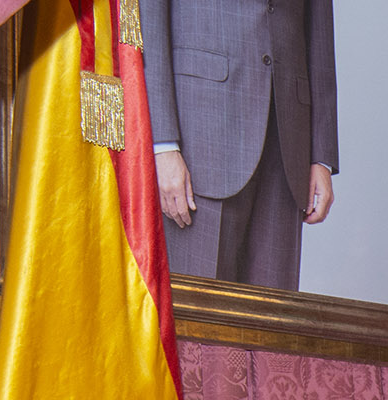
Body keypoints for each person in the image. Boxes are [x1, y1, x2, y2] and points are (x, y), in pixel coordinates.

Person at [141, 0, 339, 291]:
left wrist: (321, 156)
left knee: (272, 322)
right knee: (199, 321)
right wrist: (162, 144)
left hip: (287, 143)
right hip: (200, 137)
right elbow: (149, 19)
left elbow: (320, 25)